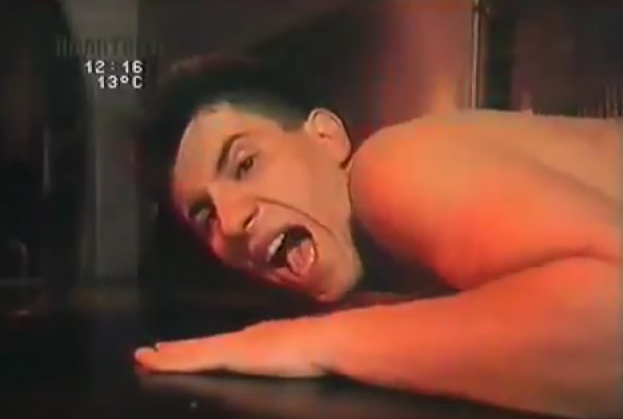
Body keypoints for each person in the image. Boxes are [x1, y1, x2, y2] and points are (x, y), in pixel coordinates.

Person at [133, 54, 622, 418]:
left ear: (327, 137)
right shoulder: (374, 271)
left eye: (245, 164)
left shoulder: (387, 167)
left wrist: (313, 343)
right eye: (206, 217)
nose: (230, 223)